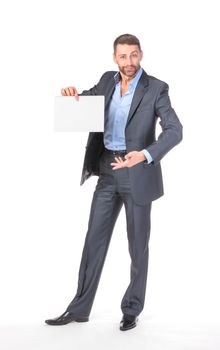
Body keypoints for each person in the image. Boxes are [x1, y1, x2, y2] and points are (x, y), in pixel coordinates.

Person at [45, 34, 182, 331]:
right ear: (114, 58)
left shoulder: (156, 88)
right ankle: (79, 308)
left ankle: (131, 309)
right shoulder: (108, 80)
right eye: (123, 56)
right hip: (108, 169)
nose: (129, 62)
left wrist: (145, 155)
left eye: (134, 55)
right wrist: (72, 97)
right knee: (93, 241)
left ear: (141, 55)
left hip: (138, 172)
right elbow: (87, 102)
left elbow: (174, 131)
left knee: (137, 246)